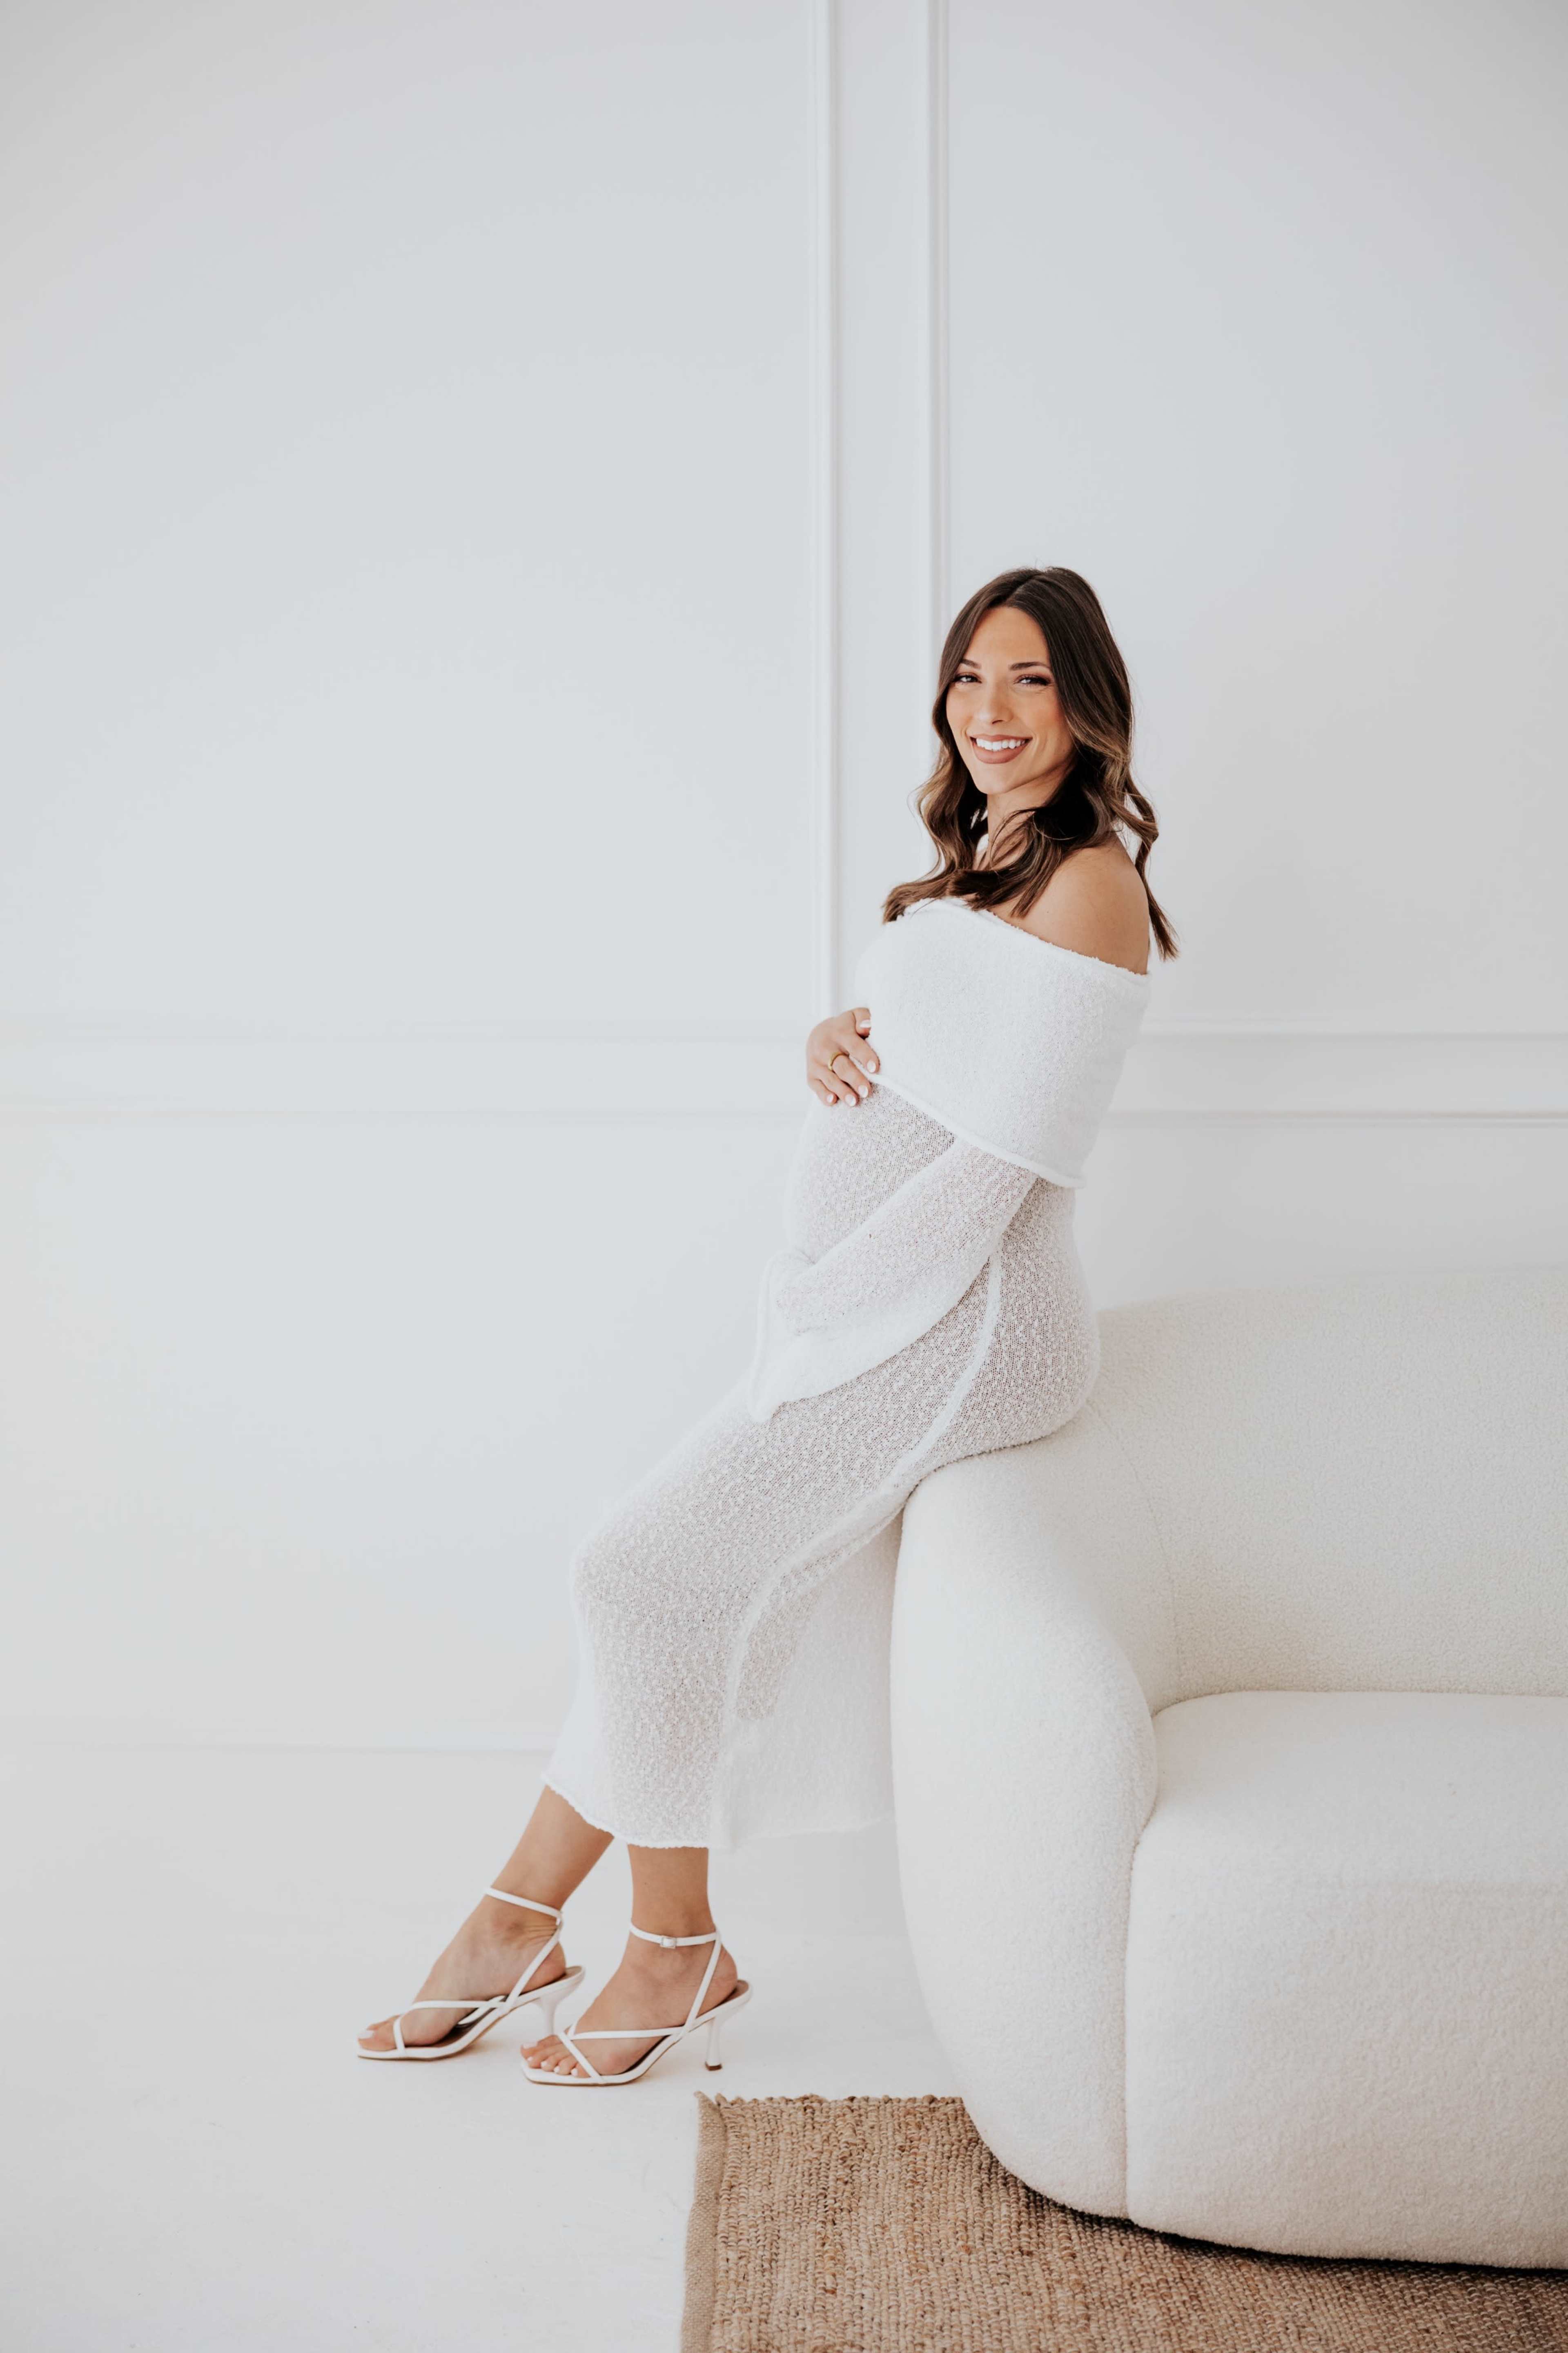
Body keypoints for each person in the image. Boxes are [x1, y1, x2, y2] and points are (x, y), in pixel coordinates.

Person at [358, 564, 1177, 2085]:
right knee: (658, 1585)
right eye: (971, 679)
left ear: (1088, 706)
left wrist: (830, 1305)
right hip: (886, 1302)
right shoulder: (985, 858)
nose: (992, 712)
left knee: (646, 1573)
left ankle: (674, 1947)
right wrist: (836, 1032)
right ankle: (522, 1916)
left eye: (1032, 684)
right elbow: (942, 1047)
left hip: (972, 1316)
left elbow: (1007, 1166)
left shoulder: (1093, 883)